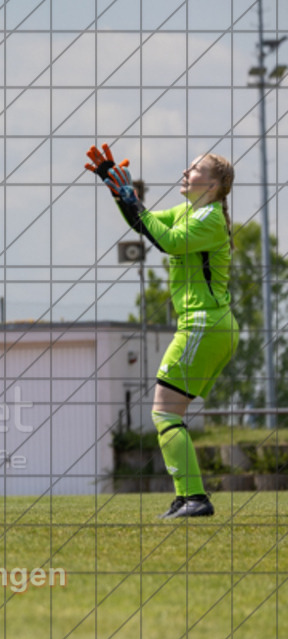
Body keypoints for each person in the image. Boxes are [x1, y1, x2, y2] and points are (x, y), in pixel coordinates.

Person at [86, 143, 238, 519]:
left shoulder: (209, 218)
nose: (186, 172)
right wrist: (122, 195)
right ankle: (189, 496)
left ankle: (193, 499)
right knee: (170, 414)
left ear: (215, 185)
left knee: (165, 414)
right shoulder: (191, 211)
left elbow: (167, 242)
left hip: (204, 324)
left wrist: (131, 198)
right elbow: (145, 224)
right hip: (210, 325)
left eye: (195, 169)